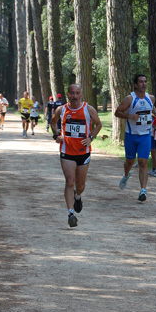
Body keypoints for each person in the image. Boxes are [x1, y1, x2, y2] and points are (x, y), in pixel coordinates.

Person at [50, 84, 102, 228]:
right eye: (72, 93)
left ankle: (77, 196)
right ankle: (70, 213)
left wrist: (91, 137)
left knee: (80, 185)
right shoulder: (62, 109)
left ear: (81, 95)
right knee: (70, 181)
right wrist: (56, 135)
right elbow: (53, 122)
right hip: (67, 152)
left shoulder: (88, 109)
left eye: (77, 93)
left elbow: (98, 125)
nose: (74, 96)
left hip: (83, 153)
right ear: (68, 95)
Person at [114, 74, 156, 201]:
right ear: (135, 84)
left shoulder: (151, 98)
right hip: (131, 135)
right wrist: (130, 116)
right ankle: (126, 174)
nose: (144, 84)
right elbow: (117, 112)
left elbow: (152, 107)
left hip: (145, 135)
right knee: (130, 161)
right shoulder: (130, 98)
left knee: (143, 162)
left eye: (145, 81)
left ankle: (143, 191)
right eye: (141, 82)